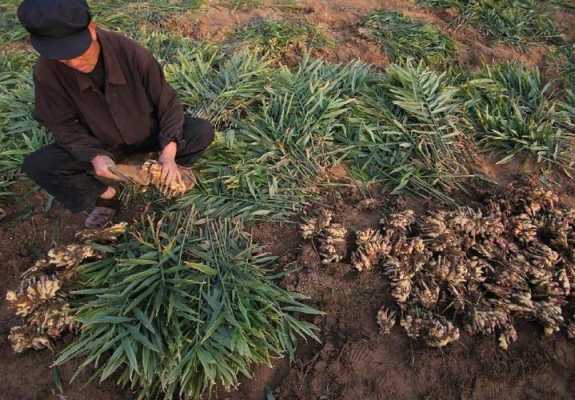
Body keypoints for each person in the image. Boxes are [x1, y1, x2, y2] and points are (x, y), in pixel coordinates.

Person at [17, 0, 214, 228]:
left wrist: (169, 153)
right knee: (39, 165)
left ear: (91, 29)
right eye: (62, 56)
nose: (72, 62)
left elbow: (167, 103)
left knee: (200, 131)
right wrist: (94, 155)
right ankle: (106, 196)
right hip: (102, 145)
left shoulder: (128, 51)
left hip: (147, 133)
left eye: (76, 52)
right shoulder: (47, 70)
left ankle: (164, 165)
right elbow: (60, 124)